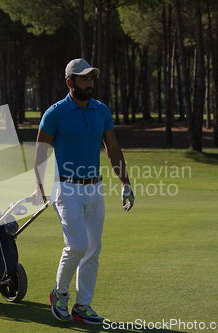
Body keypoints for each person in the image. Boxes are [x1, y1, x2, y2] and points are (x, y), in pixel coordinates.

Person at [32, 58, 135, 324]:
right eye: (84, 79)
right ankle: (60, 293)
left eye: (91, 78)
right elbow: (41, 153)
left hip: (95, 189)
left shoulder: (101, 110)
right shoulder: (54, 113)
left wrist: (125, 183)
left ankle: (83, 306)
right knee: (77, 245)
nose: (90, 83)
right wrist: (40, 188)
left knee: (93, 249)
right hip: (66, 188)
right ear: (70, 82)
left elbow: (112, 149)